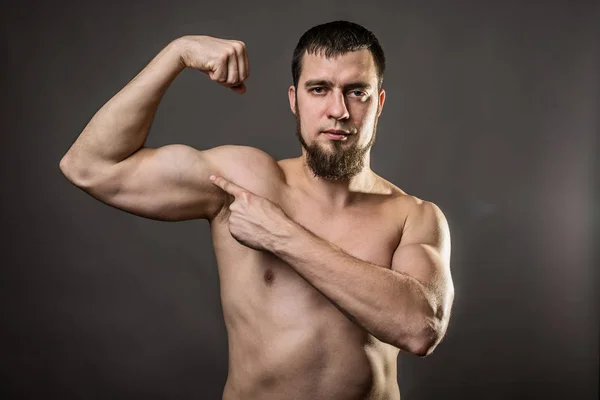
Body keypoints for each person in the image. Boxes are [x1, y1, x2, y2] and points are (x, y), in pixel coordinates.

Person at [59, 20, 454, 400]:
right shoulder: (245, 181)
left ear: (379, 102)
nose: (339, 110)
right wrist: (176, 54)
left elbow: (420, 329)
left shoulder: (413, 216)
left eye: (357, 92)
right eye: (318, 89)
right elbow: (89, 166)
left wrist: (282, 236)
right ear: (293, 100)